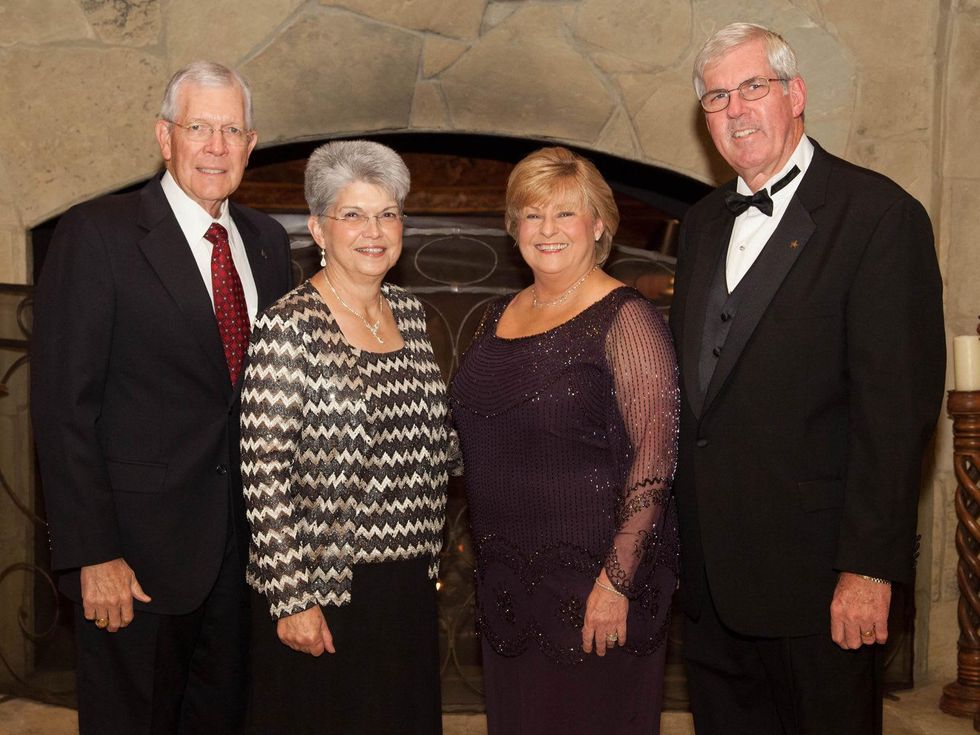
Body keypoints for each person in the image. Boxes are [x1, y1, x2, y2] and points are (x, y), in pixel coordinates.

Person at [669, 22, 946, 735]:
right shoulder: (699, 225)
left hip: (820, 588)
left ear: (795, 94)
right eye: (716, 96)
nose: (735, 109)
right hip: (710, 587)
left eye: (752, 87)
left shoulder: (879, 217)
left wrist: (869, 569)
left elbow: (895, 415)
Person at [30, 61, 293, 733]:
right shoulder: (99, 235)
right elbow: (65, 408)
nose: (215, 145)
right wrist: (93, 551)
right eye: (198, 127)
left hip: (248, 563)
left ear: (252, 143)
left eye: (231, 129)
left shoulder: (266, 242)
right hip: (136, 564)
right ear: (164, 136)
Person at [450, 146, 680, 734]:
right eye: (531, 214)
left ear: (599, 224)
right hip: (508, 589)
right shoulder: (493, 316)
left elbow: (654, 464)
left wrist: (615, 582)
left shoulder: (627, 319)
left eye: (565, 214)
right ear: (514, 227)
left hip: (595, 589)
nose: (546, 230)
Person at [240, 139, 457, 735]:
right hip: (324, 589)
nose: (375, 230)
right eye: (353, 214)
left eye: (388, 214)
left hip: (407, 584)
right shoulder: (289, 325)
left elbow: (435, 441)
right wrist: (291, 597)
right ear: (318, 228)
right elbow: (264, 471)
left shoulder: (411, 315)